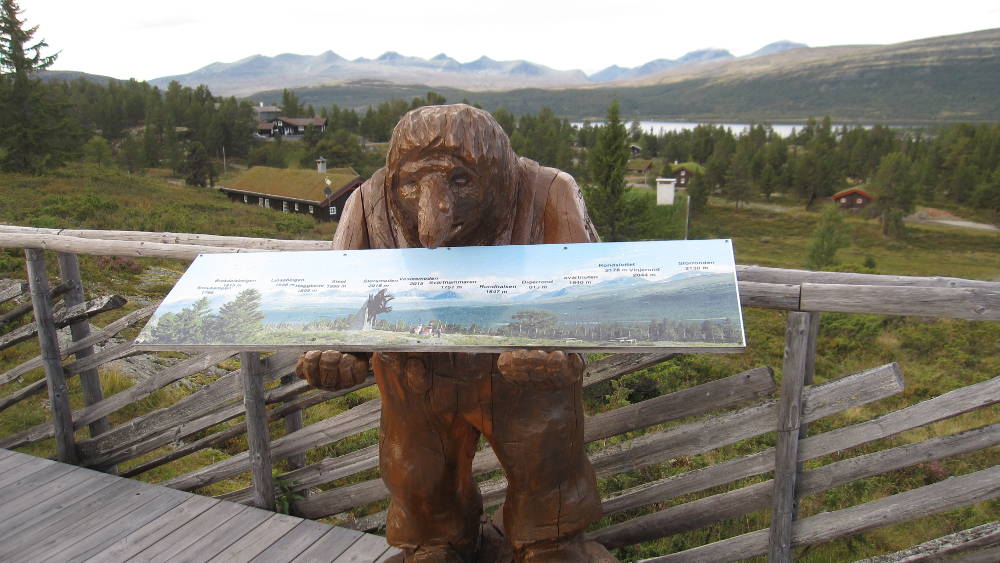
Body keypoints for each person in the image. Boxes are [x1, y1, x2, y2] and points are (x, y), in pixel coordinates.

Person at [296, 104, 615, 562]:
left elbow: (586, 289)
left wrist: (559, 351)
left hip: (521, 377)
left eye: (459, 180)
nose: (432, 223)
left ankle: (548, 540)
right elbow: (343, 304)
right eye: (411, 184)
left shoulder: (548, 193)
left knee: (545, 461)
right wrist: (338, 354)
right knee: (416, 474)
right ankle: (436, 541)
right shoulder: (367, 204)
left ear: (495, 172)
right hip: (415, 375)